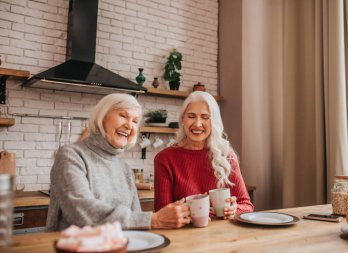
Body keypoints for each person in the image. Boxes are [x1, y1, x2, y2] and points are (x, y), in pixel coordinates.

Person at [46, 93, 190, 231]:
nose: (129, 126)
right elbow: (80, 212)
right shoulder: (71, 155)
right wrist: (153, 219)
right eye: (123, 116)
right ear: (102, 118)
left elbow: (137, 223)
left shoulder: (124, 169)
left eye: (135, 121)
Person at [154, 91, 254, 219]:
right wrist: (213, 212)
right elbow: (162, 212)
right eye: (191, 116)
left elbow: (246, 205)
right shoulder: (164, 158)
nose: (197, 124)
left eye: (205, 117)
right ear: (182, 119)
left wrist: (234, 209)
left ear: (214, 122)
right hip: (185, 235)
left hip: (223, 236)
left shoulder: (226, 155)